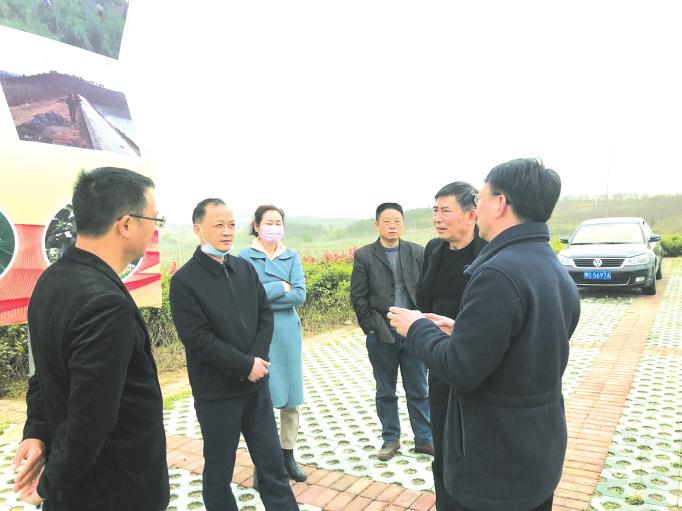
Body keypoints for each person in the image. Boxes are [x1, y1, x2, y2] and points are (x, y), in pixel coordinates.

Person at [388, 158, 581, 511]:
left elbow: (460, 367)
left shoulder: (499, 273)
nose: (478, 207)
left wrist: (416, 327)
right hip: (538, 450)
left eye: (481, 197)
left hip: (494, 462)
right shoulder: (552, 266)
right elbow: (528, 344)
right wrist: (464, 329)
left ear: (500, 203)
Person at [12, 167, 169, 510]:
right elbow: (91, 417)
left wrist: (36, 431)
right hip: (114, 490)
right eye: (155, 219)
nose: (155, 229)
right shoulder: (105, 303)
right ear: (125, 224)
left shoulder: (51, 280)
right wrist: (49, 484)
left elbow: (43, 375)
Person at [169, 198, 298, 511]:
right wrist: (244, 365)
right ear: (198, 229)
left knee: (273, 467)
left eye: (230, 225)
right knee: (219, 471)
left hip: (256, 387)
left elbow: (264, 315)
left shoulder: (244, 269)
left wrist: (256, 361)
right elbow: (198, 339)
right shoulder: (185, 281)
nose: (227, 232)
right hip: (217, 393)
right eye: (218, 225)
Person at [416, 182, 485, 510]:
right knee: (442, 439)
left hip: (475, 362)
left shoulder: (488, 252)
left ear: (471, 215)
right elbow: (424, 296)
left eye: (445, 211)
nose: (437, 218)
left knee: (473, 442)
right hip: (440, 360)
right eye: (435, 210)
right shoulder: (434, 249)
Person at [350, 202, 433, 461]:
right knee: (385, 390)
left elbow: (427, 290)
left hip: (413, 331)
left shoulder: (417, 252)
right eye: (387, 221)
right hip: (381, 332)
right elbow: (358, 297)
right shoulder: (365, 255)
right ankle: (390, 438)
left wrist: (424, 321)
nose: (392, 226)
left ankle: (424, 439)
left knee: (419, 387)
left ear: (403, 224)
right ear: (377, 225)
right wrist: (371, 328)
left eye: (397, 221)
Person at [239, 205, 308, 483]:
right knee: (262, 399)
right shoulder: (245, 257)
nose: (274, 227)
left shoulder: (292, 256)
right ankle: (263, 463)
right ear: (256, 226)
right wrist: (280, 287)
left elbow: (300, 295)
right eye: (268, 222)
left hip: (287, 334)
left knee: (290, 399)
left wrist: (264, 295)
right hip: (258, 334)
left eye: (278, 222)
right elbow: (246, 297)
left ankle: (288, 455)